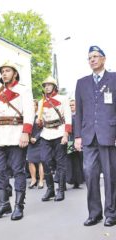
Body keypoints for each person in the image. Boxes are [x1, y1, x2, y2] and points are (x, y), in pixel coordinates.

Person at [0, 61, 34, 221]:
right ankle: (4, 203)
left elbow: (29, 112)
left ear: (15, 73)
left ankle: (19, 206)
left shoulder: (24, 90)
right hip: (0, 135)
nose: (4, 73)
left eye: (7, 70)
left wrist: (26, 133)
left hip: (16, 133)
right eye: (2, 71)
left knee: (18, 170)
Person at [75, 46, 116, 227]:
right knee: (90, 175)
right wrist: (77, 136)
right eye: (89, 57)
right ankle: (95, 213)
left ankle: (111, 213)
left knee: (110, 176)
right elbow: (79, 112)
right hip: (88, 136)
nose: (92, 60)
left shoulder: (114, 79)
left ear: (104, 59)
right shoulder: (81, 83)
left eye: (95, 56)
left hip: (109, 134)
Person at [37, 76, 71, 202]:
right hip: (46, 133)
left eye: (49, 85)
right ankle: (50, 189)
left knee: (61, 163)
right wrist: (38, 122)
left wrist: (66, 134)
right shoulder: (41, 102)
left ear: (54, 86)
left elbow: (68, 117)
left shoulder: (63, 99)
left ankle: (60, 190)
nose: (46, 87)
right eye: (45, 85)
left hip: (60, 131)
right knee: (44, 160)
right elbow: (40, 121)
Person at [66, 99, 84, 189]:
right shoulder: (67, 116)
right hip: (69, 141)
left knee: (77, 161)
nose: (71, 107)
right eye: (70, 105)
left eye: (73, 105)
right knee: (69, 161)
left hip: (76, 141)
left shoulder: (79, 116)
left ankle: (77, 181)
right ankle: (70, 180)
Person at [27, 100, 44, 189]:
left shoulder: (40, 116)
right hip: (30, 141)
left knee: (40, 161)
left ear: (37, 106)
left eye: (34, 105)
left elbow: (43, 129)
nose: (33, 107)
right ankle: (33, 180)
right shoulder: (27, 117)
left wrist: (36, 138)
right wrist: (30, 138)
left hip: (39, 140)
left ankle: (41, 180)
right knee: (30, 161)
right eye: (31, 105)